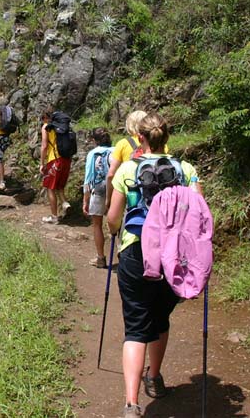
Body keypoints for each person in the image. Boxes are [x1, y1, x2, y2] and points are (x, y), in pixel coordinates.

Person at [106, 112, 202, 418]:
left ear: (141, 138)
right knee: (160, 318)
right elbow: (199, 213)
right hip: (175, 256)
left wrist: (113, 231)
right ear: (167, 136)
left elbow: (112, 218)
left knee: (135, 326)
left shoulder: (127, 169)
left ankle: (132, 404)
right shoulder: (186, 169)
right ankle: (155, 377)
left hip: (136, 253)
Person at [82, 128, 113, 268]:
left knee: (97, 225)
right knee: (118, 225)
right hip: (115, 189)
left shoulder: (92, 154)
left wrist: (85, 200)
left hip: (98, 190)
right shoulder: (116, 150)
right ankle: (121, 255)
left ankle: (101, 258)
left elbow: (88, 179)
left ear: (94, 140)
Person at [39, 109, 72, 224]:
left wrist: (42, 163)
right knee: (59, 186)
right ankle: (65, 203)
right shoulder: (64, 127)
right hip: (67, 160)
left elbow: (44, 146)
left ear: (45, 118)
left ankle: (54, 217)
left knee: (50, 188)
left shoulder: (47, 127)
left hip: (54, 160)